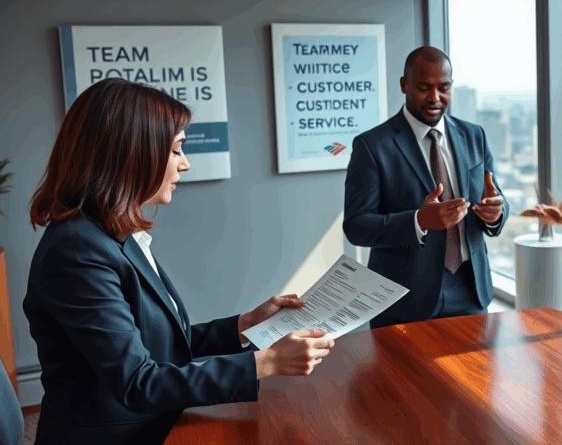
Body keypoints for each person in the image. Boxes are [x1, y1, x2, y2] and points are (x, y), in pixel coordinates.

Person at [23, 78, 335, 445]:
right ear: (131, 153)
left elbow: (157, 343)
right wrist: (267, 362)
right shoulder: (77, 251)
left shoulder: (111, 232)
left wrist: (246, 324)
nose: (185, 165)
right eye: (176, 150)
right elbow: (139, 382)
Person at [343, 46, 509, 330]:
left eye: (444, 88)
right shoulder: (372, 146)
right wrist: (419, 221)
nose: (435, 98)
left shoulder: (474, 135)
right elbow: (357, 226)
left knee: (474, 375)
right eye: (423, 88)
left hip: (471, 294)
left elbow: (493, 197)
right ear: (404, 85)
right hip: (404, 301)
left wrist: (497, 212)